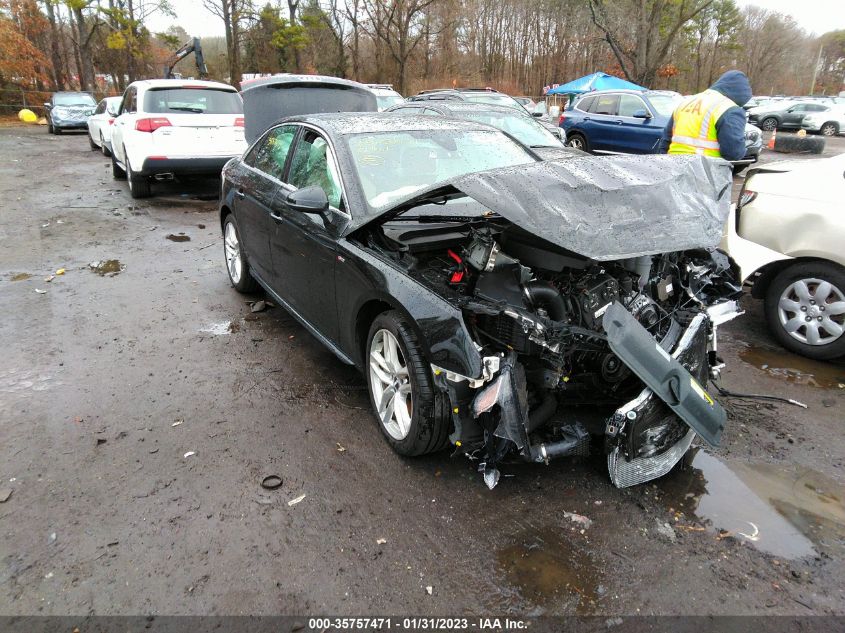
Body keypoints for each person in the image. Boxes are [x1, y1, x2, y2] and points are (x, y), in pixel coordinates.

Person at [663, 70, 752, 161]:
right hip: (705, 169)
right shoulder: (729, 109)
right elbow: (733, 152)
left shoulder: (686, 102)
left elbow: (665, 141)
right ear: (741, 95)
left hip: (674, 165)